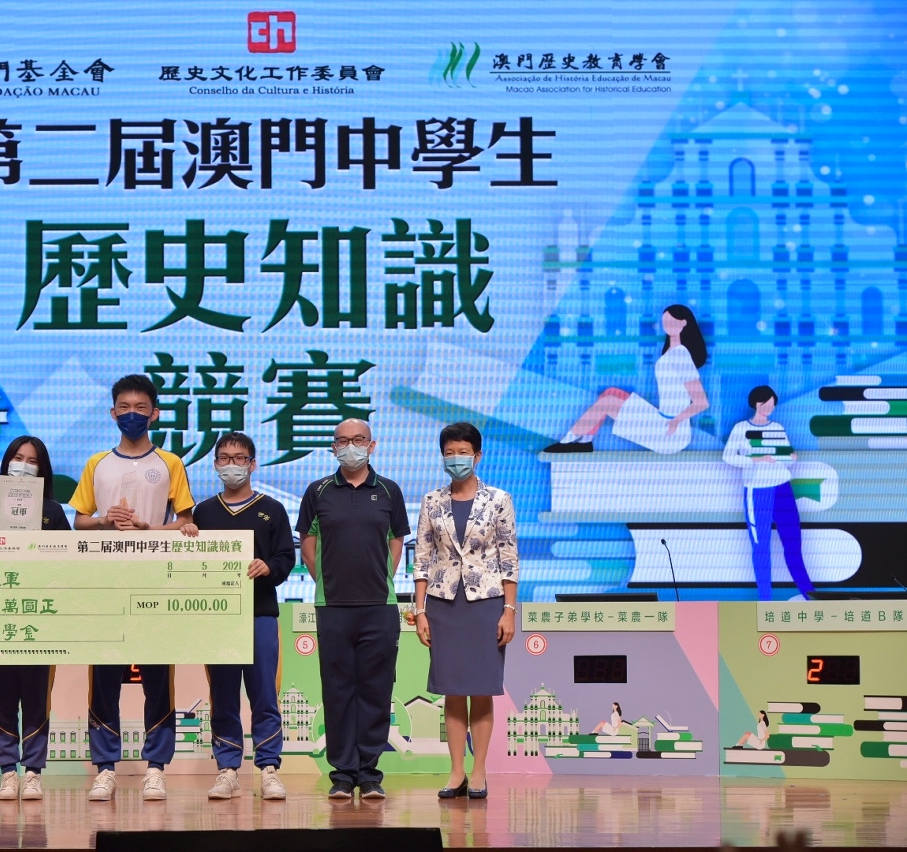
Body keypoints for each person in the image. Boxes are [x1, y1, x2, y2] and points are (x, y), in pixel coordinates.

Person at [69, 375, 196, 803]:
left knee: (158, 676)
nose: (132, 415)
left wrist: (147, 528)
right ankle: (105, 767)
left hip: (155, 582)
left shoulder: (170, 463)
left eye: (141, 408)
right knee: (104, 676)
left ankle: (156, 767)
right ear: (112, 413)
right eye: (124, 407)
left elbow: (185, 523)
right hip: (105, 582)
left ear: (154, 413)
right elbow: (79, 521)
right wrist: (105, 521)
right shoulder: (97, 463)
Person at [296, 418, 410, 800]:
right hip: (333, 607)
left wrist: (381, 577)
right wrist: (326, 581)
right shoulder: (318, 491)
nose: (351, 446)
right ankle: (343, 774)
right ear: (333, 448)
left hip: (380, 606)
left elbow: (396, 541)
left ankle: (370, 773)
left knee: (376, 690)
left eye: (358, 439)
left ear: (372, 445)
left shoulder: (390, 491)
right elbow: (307, 543)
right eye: (342, 441)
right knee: (338, 690)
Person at [183, 432, 295, 802]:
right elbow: (192, 564)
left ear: (252, 464)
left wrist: (268, 566)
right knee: (223, 695)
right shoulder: (203, 512)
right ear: (215, 464)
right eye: (225, 458)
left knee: (264, 694)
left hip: (260, 614)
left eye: (240, 458)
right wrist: (187, 537)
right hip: (218, 619)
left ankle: (268, 769)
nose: (232, 465)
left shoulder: (272, 509)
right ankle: (228, 769)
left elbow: (286, 557)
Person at [411, 422, 518, 801]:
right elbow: (422, 559)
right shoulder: (431, 501)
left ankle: (479, 772)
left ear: (478, 456)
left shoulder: (499, 499)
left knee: (481, 689)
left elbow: (509, 556)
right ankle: (455, 772)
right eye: (449, 453)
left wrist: (509, 609)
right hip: (443, 605)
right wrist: (420, 611)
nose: (456, 459)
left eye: (463, 452)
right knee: (452, 690)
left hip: (486, 604)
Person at [0, 435, 71, 802]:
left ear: (42, 470)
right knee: (1, 697)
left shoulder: (53, 513)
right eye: (17, 458)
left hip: (39, 618)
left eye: (32, 461)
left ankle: (32, 772)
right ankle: (7, 772)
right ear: (6, 464)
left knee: (36, 697)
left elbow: (70, 562)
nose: (23, 466)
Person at [544, 304, 708, 454]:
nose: (666, 325)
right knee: (610, 393)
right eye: (665, 321)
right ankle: (585, 441)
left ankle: (567, 441)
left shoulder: (681, 355)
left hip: (671, 432)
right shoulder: (671, 352)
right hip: (663, 419)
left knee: (607, 402)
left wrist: (676, 421)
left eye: (671, 321)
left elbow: (701, 402)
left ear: (684, 323)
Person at [723, 386, 816, 601]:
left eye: (772, 405)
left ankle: (810, 596)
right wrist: (756, 459)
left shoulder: (777, 428)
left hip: (782, 488)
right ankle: (766, 601)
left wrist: (791, 457)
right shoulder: (741, 428)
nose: (768, 408)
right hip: (757, 491)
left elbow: (785, 456)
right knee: (761, 547)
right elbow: (728, 456)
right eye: (765, 404)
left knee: (793, 545)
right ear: (756, 404)